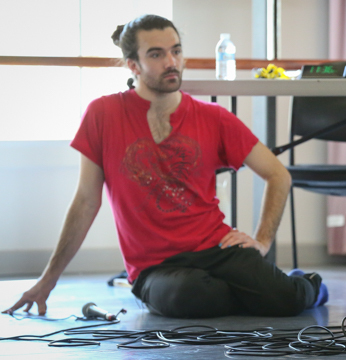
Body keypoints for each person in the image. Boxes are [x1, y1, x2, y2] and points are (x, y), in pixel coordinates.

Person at [3, 14, 327, 319]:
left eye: (176, 51)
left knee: (285, 300)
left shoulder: (213, 118)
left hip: (217, 248)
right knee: (192, 296)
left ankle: (301, 284)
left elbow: (278, 175)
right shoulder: (102, 114)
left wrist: (263, 240)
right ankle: (256, 291)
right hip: (154, 267)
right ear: (133, 65)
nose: (171, 62)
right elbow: (86, 200)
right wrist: (48, 280)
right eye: (156, 54)